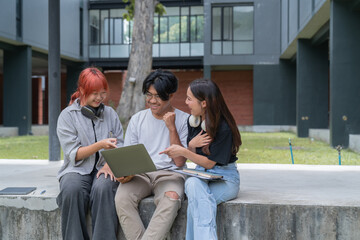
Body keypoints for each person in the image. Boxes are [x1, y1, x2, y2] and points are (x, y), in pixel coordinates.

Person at [160, 78, 241, 240]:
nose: (186, 102)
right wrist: (190, 145)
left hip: (226, 179)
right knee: (192, 184)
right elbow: (196, 158)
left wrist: (184, 150)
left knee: (198, 203)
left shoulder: (224, 128)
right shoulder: (194, 122)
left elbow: (209, 163)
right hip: (201, 175)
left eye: (189, 98)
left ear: (204, 103)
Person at [114, 69, 189, 240]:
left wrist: (171, 127)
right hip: (140, 174)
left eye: (158, 96)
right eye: (148, 95)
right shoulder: (137, 119)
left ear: (170, 95)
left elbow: (178, 161)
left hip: (170, 174)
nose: (152, 101)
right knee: (122, 199)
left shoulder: (184, 120)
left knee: (171, 199)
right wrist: (125, 173)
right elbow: (129, 157)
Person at [56, 67, 123, 240]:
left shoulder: (111, 114)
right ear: (81, 91)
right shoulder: (67, 116)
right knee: (71, 189)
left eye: (103, 93)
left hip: (105, 166)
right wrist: (100, 145)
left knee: (104, 188)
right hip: (75, 169)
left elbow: (120, 144)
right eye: (94, 93)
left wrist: (110, 165)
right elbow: (74, 154)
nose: (99, 98)